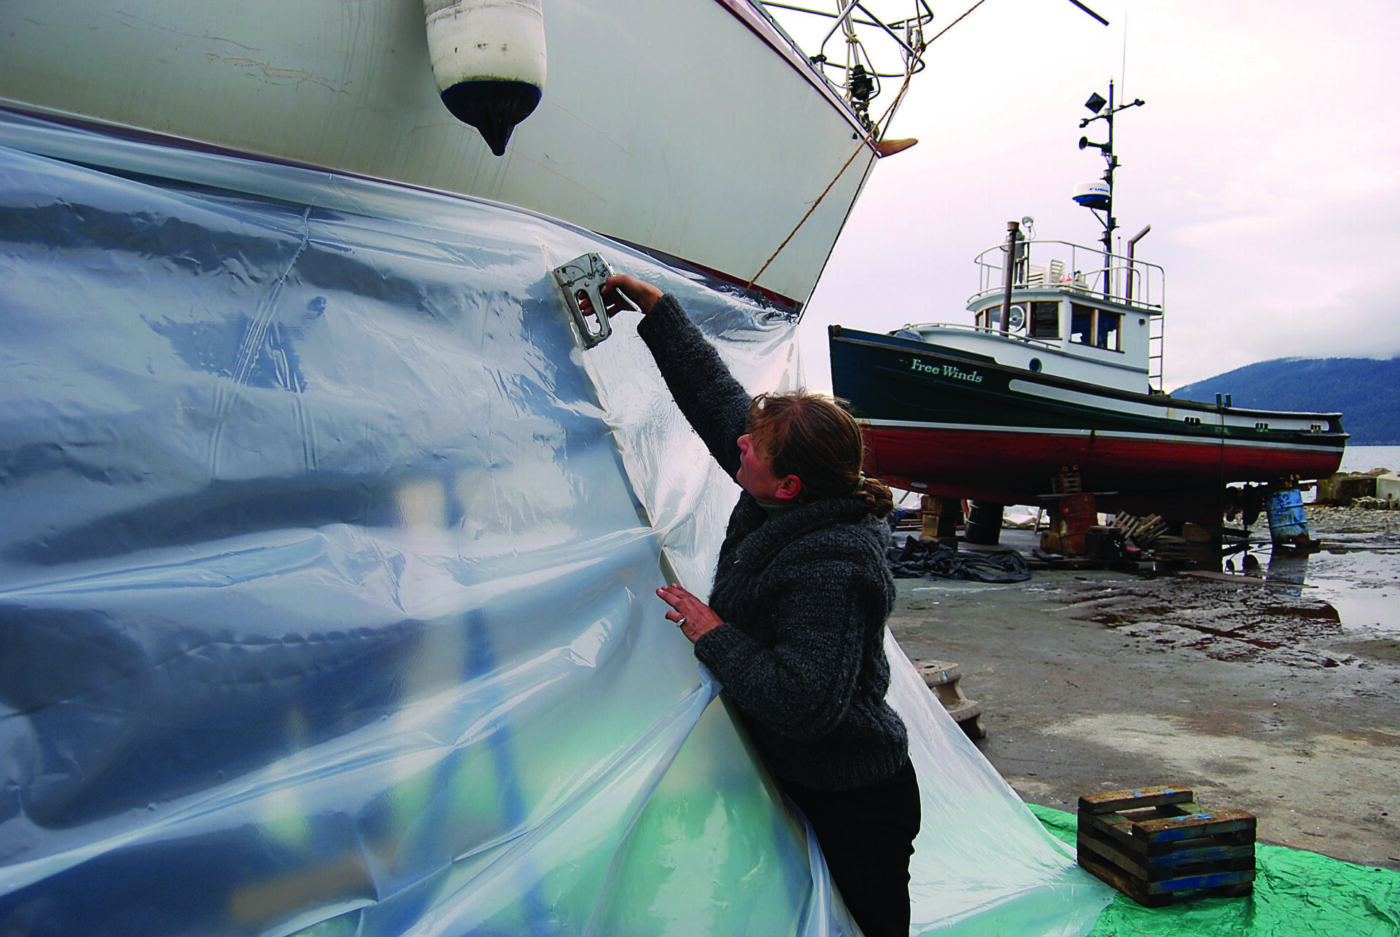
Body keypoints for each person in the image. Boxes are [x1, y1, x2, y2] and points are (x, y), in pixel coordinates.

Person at [590, 274, 920, 937]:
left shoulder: (831, 564)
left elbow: (804, 701)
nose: (740, 442)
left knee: (869, 925)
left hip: (854, 797)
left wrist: (712, 631)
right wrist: (657, 313)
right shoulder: (779, 491)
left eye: (754, 447)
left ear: (789, 483)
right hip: (797, 772)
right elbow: (721, 407)